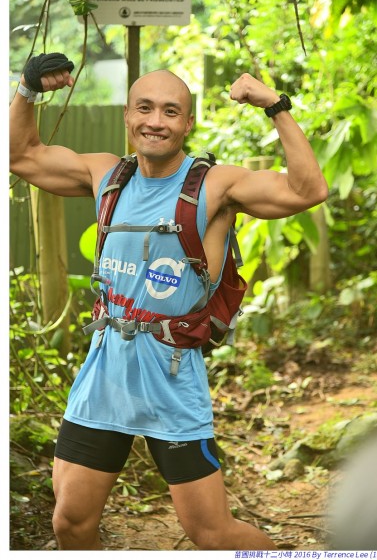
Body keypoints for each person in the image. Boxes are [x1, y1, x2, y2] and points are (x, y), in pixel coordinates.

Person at [9, 54, 328, 551]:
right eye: (145, 108)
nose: (156, 121)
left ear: (188, 123)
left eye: (170, 111)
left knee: (211, 532)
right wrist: (27, 89)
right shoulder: (106, 175)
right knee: (70, 523)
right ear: (127, 115)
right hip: (106, 373)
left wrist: (275, 106)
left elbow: (308, 190)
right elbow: (21, 156)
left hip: (171, 377)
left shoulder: (216, 185)